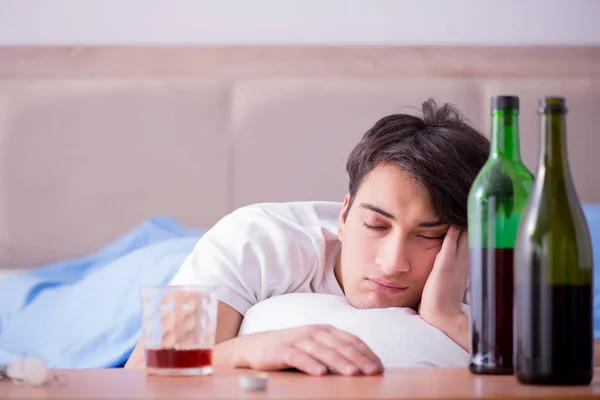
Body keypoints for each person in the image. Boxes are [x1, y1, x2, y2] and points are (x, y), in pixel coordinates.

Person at [125, 98, 490, 375]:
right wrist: (246, 351)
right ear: (344, 215)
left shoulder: (485, 265)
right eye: (376, 226)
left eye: (430, 237)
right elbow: (140, 371)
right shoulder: (253, 240)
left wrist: (449, 318)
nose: (393, 263)